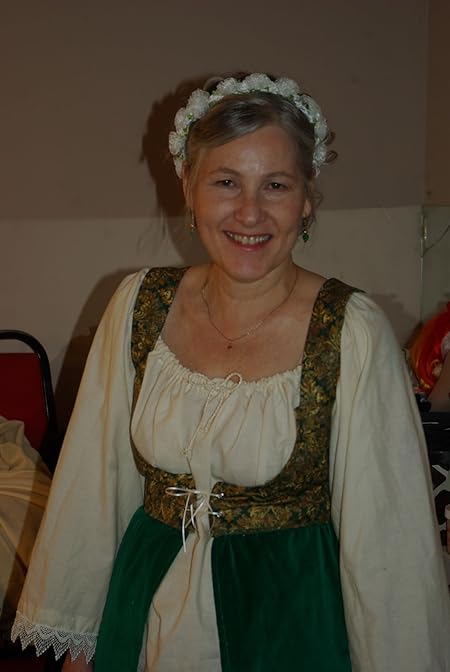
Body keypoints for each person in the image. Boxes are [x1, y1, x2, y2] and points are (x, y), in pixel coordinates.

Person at [11, 72, 450, 671]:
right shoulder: (140, 305)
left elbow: (388, 542)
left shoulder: (349, 329)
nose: (249, 211)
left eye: (276, 184)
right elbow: (94, 483)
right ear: (189, 188)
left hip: (287, 628)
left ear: (307, 196)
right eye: (225, 182)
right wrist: (78, 642)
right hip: (142, 618)